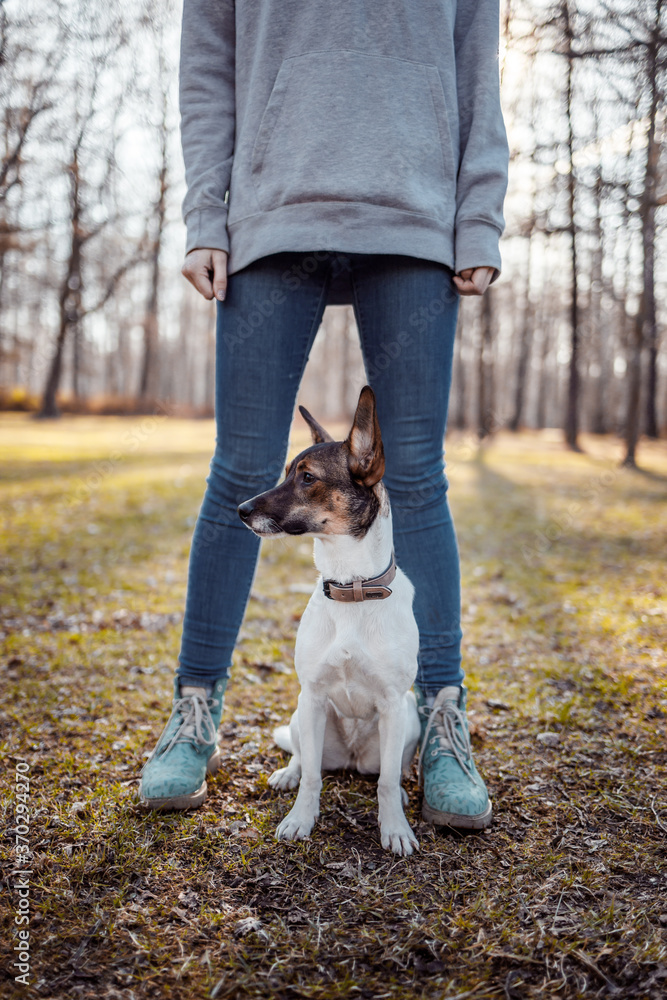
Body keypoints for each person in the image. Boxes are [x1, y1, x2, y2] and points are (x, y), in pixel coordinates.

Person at [140, 0, 509, 830]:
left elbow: (477, 67)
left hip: (413, 213)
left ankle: (441, 717)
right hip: (272, 210)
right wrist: (207, 212)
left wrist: (477, 213)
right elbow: (207, 63)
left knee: (415, 475)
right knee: (240, 470)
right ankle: (194, 712)